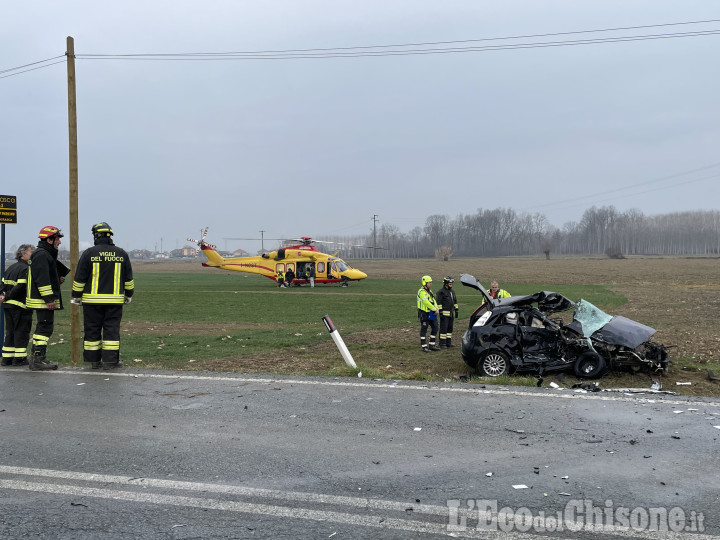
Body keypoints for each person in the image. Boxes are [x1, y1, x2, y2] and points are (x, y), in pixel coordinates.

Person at [71, 222, 134, 369]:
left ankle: (94, 361)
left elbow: (79, 278)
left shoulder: (88, 253)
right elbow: (128, 279)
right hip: (114, 301)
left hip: (91, 302)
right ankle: (111, 361)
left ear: (95, 235)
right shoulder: (121, 253)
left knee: (92, 330)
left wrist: (76, 296)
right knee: (111, 331)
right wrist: (129, 294)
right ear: (110, 235)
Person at [26, 226, 70, 371]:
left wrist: (57, 279)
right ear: (49, 239)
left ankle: (37, 359)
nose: (59, 242)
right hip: (42, 301)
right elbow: (42, 279)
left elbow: (46, 276)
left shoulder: (44, 254)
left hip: (42, 300)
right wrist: (49, 299)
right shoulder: (42, 255)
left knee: (44, 328)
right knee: (44, 328)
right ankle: (38, 360)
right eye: (57, 239)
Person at [0, 244, 34, 366]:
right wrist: (8, 295)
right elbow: (20, 286)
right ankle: (19, 359)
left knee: (10, 331)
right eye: (31, 252)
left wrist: (3, 296)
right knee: (21, 332)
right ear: (23, 254)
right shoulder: (25, 268)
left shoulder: (10, 268)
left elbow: (2, 285)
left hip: (7, 306)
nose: (33, 254)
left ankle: (7, 358)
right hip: (20, 306)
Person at [417, 275, 440, 353]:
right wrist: (434, 309)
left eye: (431, 282)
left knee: (435, 327)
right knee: (424, 329)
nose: (430, 284)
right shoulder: (421, 292)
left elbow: (434, 300)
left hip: (431, 313)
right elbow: (426, 302)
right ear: (424, 283)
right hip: (424, 313)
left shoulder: (430, 292)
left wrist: (436, 308)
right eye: (429, 283)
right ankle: (424, 347)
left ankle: (432, 345)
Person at [436, 276, 459, 349]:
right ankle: (442, 343)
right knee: (444, 329)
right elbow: (438, 303)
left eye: (452, 283)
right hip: (444, 314)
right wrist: (441, 312)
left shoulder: (452, 291)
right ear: (445, 283)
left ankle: (448, 342)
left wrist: (456, 310)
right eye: (450, 283)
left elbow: (455, 301)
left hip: (451, 314)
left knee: (450, 329)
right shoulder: (441, 292)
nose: (451, 284)